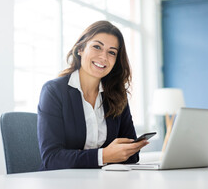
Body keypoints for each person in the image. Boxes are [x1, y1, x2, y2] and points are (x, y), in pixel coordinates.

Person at [37, 20, 148, 170]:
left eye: (112, 52)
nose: (103, 57)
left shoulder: (117, 95)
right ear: (80, 49)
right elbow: (52, 159)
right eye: (97, 47)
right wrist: (104, 156)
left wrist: (124, 151)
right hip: (62, 182)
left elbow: (132, 155)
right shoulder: (54, 91)